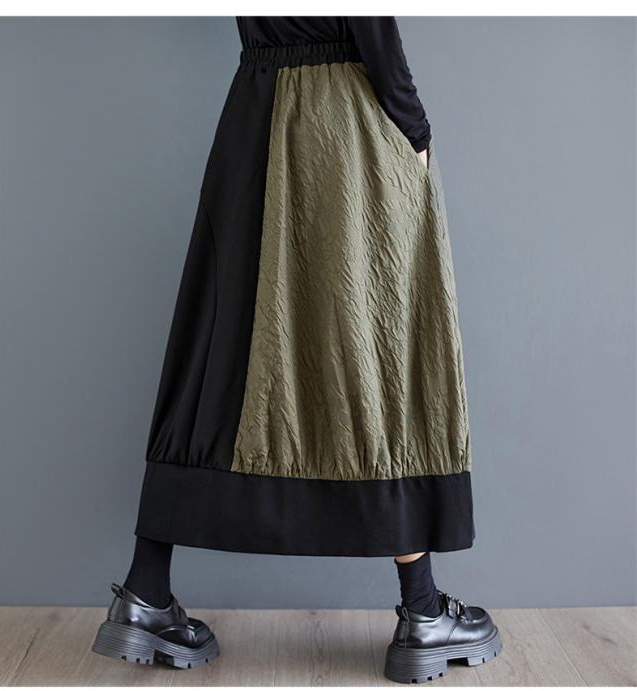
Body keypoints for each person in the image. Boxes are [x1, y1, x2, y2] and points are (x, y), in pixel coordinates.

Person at [92, 16, 502, 683]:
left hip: (254, 110)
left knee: (222, 344)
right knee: (372, 350)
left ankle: (145, 590)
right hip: (343, 121)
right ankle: (423, 610)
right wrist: (415, 129)